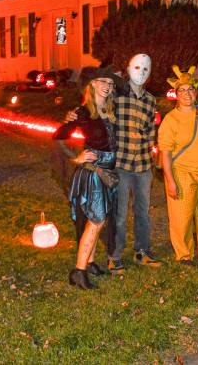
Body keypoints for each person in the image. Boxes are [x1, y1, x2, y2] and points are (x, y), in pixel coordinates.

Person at [65, 54, 161, 274]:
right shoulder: (116, 94)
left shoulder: (150, 100)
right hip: (120, 163)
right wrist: (73, 116)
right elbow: (92, 110)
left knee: (143, 211)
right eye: (137, 67)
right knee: (118, 213)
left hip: (143, 164)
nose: (142, 72)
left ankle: (142, 250)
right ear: (128, 69)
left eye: (146, 69)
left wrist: (151, 155)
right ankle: (114, 256)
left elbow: (149, 132)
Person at [53, 68, 122, 289]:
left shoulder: (111, 110)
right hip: (93, 172)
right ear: (91, 85)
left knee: (98, 219)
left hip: (108, 172)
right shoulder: (82, 113)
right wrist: (76, 158)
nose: (107, 86)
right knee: (97, 220)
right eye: (102, 81)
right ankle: (79, 271)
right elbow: (59, 136)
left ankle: (90, 262)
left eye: (110, 83)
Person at [158, 65, 198, 264]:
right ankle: (184, 254)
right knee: (181, 218)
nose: (187, 93)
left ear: (196, 92)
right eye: (182, 90)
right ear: (176, 94)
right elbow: (165, 153)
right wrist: (170, 180)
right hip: (182, 174)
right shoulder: (170, 120)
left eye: (190, 89)